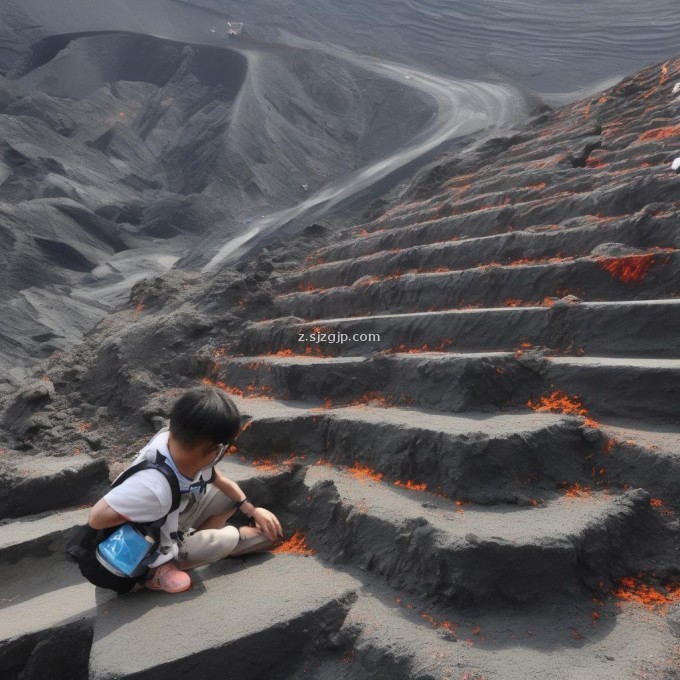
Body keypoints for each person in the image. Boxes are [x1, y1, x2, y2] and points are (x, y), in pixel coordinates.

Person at [87, 385, 283, 593]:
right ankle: (158, 571)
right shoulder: (152, 487)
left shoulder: (175, 443)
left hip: (174, 519)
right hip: (151, 546)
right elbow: (96, 518)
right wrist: (148, 515)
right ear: (215, 450)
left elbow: (218, 479)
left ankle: (192, 542)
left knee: (228, 498)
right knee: (229, 538)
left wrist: (250, 509)